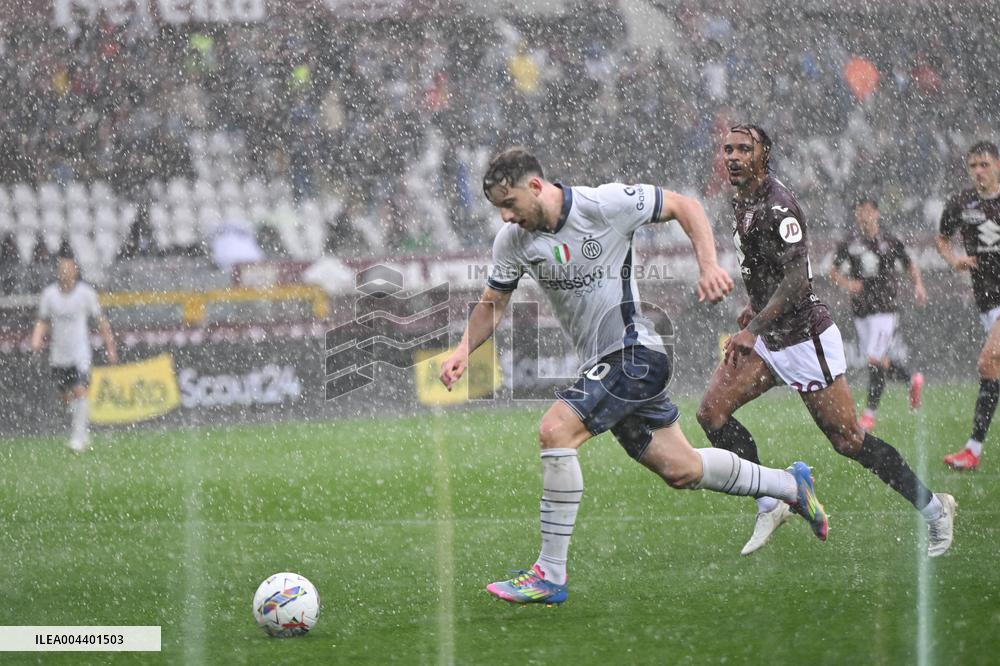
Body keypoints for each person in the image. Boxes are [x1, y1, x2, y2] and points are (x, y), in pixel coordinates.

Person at [439, 147, 830, 606]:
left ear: (535, 186)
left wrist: (707, 266)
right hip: (606, 363)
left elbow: (687, 206)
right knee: (682, 469)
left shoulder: (603, 205)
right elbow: (492, 303)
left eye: (510, 204)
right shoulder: (512, 241)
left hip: (636, 351)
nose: (505, 216)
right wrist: (465, 349)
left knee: (555, 431)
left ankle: (549, 572)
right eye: (499, 209)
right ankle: (789, 485)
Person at [696, 125, 955, 557]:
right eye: (729, 149)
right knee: (712, 414)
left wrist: (752, 327)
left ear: (765, 154)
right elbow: (766, 271)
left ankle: (934, 509)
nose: (735, 156)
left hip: (804, 340)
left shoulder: (779, 207)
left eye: (745, 148)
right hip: (768, 336)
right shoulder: (741, 198)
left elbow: (798, 281)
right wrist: (753, 306)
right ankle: (773, 500)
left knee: (849, 440)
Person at [829, 197, 927, 432]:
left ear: (877, 214)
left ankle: (869, 414)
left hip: (885, 309)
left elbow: (909, 265)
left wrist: (919, 285)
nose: (864, 215)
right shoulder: (850, 242)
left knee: (874, 359)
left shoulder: (890, 241)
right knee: (879, 361)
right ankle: (911, 378)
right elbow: (833, 271)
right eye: (860, 211)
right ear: (856, 215)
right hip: (861, 310)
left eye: (868, 211)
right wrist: (848, 283)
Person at [936, 140, 1000, 471]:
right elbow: (943, 239)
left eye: (984, 164)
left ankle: (972, 450)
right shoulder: (962, 203)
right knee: (994, 369)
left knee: (987, 362)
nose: (978, 171)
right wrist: (954, 260)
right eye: (973, 165)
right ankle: (973, 451)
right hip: (987, 301)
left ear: (998, 165)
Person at [30, 253, 118, 452]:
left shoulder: (86, 294)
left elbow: (101, 322)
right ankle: (77, 419)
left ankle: (79, 438)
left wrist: (110, 347)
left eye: (68, 269)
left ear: (75, 271)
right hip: (59, 355)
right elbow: (42, 320)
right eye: (62, 269)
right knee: (66, 398)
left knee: (80, 390)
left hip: (80, 353)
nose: (65, 273)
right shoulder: (49, 295)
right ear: (57, 272)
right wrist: (36, 339)